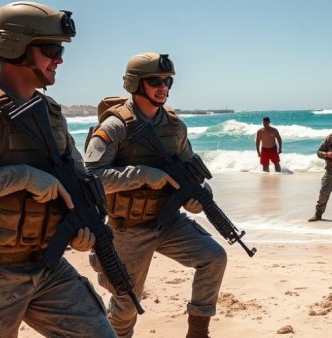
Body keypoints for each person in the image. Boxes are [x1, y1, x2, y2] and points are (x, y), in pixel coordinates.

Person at [0, 2, 116, 337]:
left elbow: (77, 178)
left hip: (47, 266)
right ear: (16, 47)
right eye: (51, 49)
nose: (59, 59)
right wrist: (24, 178)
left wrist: (80, 229)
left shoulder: (51, 114)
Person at [84, 52, 227, 338]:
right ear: (135, 84)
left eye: (167, 81)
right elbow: (91, 177)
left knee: (214, 257)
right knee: (127, 304)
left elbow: (190, 170)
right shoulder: (115, 126)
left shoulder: (174, 127)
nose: (163, 87)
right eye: (155, 81)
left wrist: (197, 197)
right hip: (128, 227)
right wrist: (141, 175)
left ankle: (197, 332)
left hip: (168, 221)